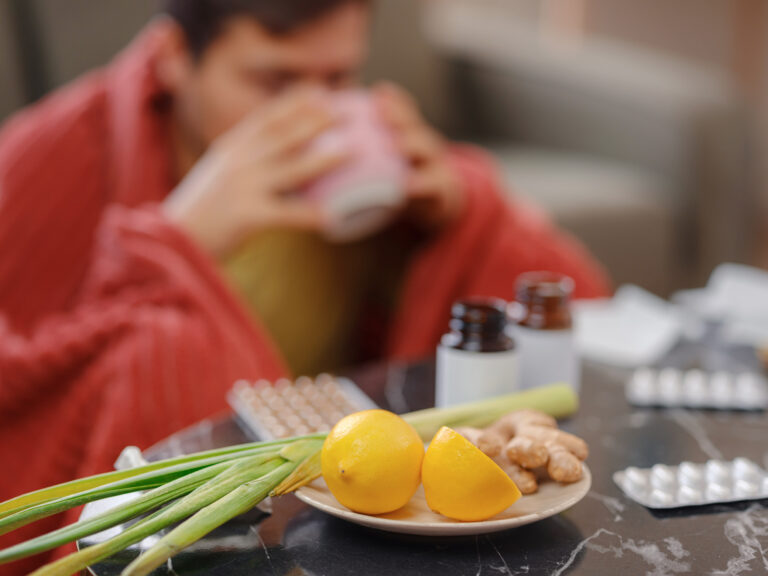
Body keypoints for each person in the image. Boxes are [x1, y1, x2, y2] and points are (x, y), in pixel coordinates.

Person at [0, 0, 609, 571]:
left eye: (339, 78)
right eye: (274, 83)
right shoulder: (51, 159)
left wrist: (461, 213)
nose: (313, 114)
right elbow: (26, 387)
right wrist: (169, 246)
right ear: (174, 57)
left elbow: (585, 300)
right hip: (232, 508)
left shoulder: (370, 161)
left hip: (350, 498)